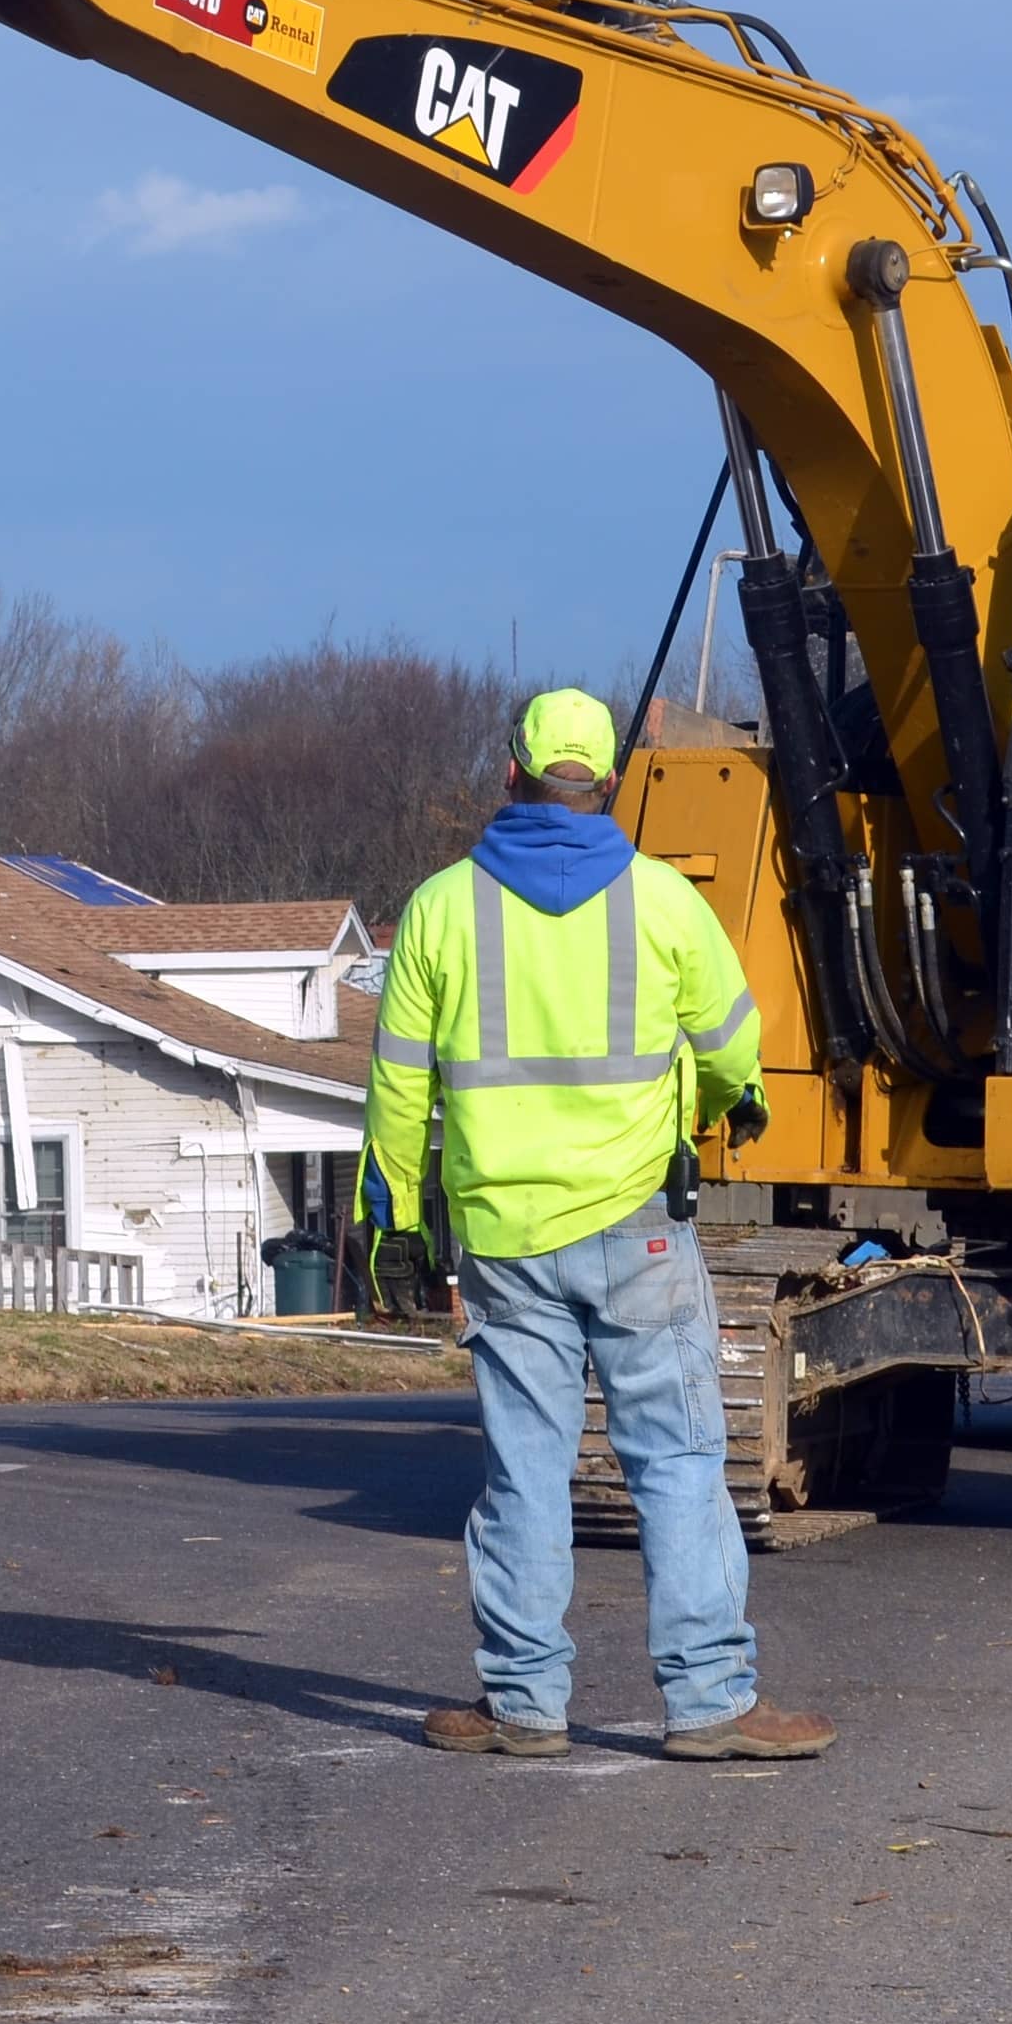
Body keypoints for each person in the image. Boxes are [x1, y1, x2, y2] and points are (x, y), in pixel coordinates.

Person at [369, 687, 827, 1765]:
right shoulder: (663, 903)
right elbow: (726, 1047)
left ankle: (524, 1703)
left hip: (501, 1233)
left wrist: (390, 1214)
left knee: (525, 1466)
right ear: (612, 783)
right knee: (672, 1459)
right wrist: (727, 1104)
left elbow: (397, 1085)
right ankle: (709, 1700)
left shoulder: (441, 909)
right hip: (635, 1227)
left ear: (511, 772)